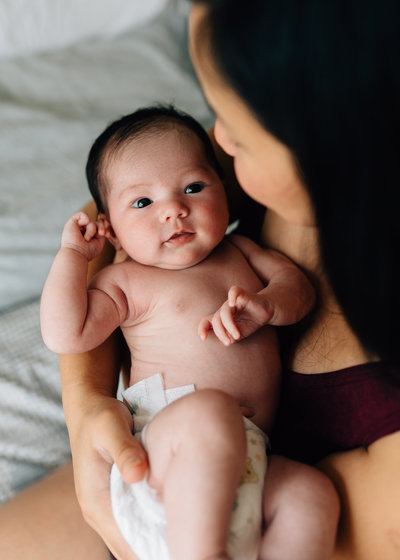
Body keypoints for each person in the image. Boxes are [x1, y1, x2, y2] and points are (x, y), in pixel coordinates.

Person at [40, 105, 338, 560]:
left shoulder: (241, 249)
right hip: (164, 458)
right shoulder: (124, 282)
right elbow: (67, 335)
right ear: (113, 232)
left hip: (247, 462)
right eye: (143, 202)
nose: (174, 209)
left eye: (194, 187)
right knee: (210, 412)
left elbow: (299, 290)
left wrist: (267, 305)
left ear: (223, 188)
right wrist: (72, 257)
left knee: (311, 494)